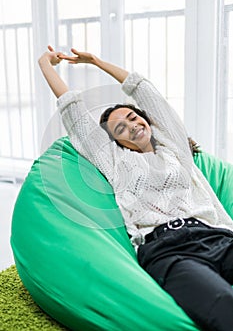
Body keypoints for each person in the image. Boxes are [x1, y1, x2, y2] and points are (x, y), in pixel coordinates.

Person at [39, 45, 233, 331]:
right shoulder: (116, 161)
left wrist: (96, 61)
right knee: (224, 303)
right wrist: (45, 65)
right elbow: (73, 111)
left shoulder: (175, 148)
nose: (131, 126)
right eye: (120, 129)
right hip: (171, 251)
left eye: (132, 117)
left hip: (215, 237)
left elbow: (145, 91)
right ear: (117, 142)